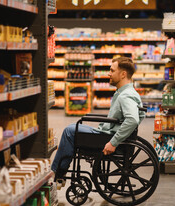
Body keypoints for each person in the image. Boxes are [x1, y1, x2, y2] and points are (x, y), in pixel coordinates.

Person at [51, 56, 145, 187]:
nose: (109, 73)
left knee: (70, 132)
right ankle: (58, 173)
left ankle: (57, 174)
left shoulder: (126, 95)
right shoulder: (125, 92)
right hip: (109, 134)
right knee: (73, 128)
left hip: (108, 138)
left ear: (123, 74)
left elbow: (132, 120)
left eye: (112, 70)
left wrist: (113, 142)